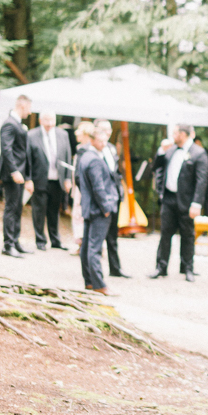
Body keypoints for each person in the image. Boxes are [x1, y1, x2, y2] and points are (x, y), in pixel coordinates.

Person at [150, 124, 208, 282]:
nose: (173, 135)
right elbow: (156, 167)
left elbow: (201, 181)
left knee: (187, 235)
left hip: (187, 201)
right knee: (165, 234)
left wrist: (196, 203)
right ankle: (161, 267)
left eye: (175, 132)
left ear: (183, 134)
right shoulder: (170, 149)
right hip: (169, 198)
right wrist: (161, 151)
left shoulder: (198, 153)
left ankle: (187, 268)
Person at [78, 124, 120, 294]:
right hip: (98, 210)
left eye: (105, 141)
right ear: (92, 140)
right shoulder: (94, 159)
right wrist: (107, 208)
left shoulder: (85, 156)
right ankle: (99, 284)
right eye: (100, 141)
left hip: (90, 208)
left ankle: (89, 281)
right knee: (94, 249)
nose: (104, 144)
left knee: (87, 246)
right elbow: (98, 187)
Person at [88, 120, 131, 278]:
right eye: (103, 129)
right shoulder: (88, 150)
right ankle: (94, 272)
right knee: (96, 238)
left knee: (113, 236)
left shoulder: (112, 148)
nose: (106, 132)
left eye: (108, 129)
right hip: (99, 199)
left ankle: (115, 268)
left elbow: (115, 172)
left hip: (113, 198)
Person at [26, 111, 72, 251]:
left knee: (54, 211)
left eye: (51, 120)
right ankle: (40, 240)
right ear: (40, 120)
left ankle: (55, 240)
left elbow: (67, 156)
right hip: (39, 179)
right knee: (39, 211)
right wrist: (28, 179)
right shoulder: (31, 135)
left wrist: (68, 178)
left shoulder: (62, 134)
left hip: (57, 179)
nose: (49, 124)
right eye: (46, 120)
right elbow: (27, 159)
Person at [0, 94, 34, 257]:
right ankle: (8, 244)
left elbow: (23, 153)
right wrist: (14, 171)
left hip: (20, 174)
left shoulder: (18, 124)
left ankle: (15, 241)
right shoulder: (9, 124)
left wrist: (27, 177)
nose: (30, 112)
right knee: (11, 208)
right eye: (29, 108)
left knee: (18, 208)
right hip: (12, 174)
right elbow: (6, 150)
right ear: (22, 106)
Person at [70, 121, 94, 258]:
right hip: (78, 188)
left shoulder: (87, 150)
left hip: (83, 189)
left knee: (80, 216)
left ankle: (83, 244)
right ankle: (80, 244)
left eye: (79, 130)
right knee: (77, 215)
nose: (76, 132)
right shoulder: (80, 148)